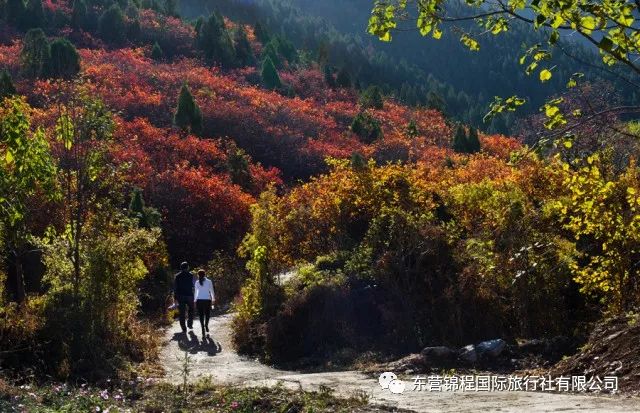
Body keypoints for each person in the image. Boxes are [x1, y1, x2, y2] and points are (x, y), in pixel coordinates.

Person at [174, 261, 195, 333]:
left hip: (181, 296)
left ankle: (184, 328)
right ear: (187, 267)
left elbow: (175, 288)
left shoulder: (177, 276)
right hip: (189, 295)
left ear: (181, 268)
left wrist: (175, 298)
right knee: (191, 310)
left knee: (182, 313)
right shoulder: (191, 275)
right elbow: (193, 286)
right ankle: (190, 324)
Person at [194, 269, 215, 337]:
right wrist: (213, 299)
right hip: (207, 300)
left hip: (199, 300)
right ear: (205, 274)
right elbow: (211, 290)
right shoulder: (209, 281)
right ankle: (206, 325)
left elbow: (196, 292)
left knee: (201, 315)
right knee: (207, 314)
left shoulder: (197, 282)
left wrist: (195, 300)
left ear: (198, 275)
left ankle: (202, 328)